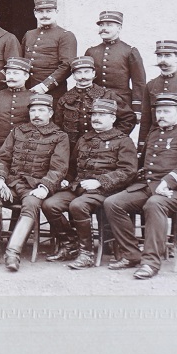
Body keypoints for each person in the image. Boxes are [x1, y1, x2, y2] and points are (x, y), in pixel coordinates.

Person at [105, 92, 177, 279]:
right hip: (151, 186)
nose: (161, 116)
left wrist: (168, 181)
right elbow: (144, 165)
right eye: (159, 111)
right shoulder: (154, 133)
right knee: (113, 203)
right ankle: (132, 254)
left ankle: (151, 263)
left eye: (166, 111)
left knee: (155, 204)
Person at [41, 98, 137, 269]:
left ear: (113, 118)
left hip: (107, 191)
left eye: (102, 115)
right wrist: (66, 179)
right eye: (94, 115)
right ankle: (70, 244)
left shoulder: (123, 141)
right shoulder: (84, 138)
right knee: (50, 204)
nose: (96, 118)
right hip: (79, 188)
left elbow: (128, 172)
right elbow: (71, 165)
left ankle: (86, 254)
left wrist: (99, 182)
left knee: (78, 206)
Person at [0, 94, 70, 272]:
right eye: (33, 110)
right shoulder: (17, 131)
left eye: (41, 110)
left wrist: (45, 187)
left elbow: (59, 168)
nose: (36, 114)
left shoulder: (59, 136)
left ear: (50, 113)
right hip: (12, 184)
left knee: (30, 203)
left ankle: (13, 253)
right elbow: (2, 158)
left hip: (36, 187)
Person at [54, 56, 136, 147]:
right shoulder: (65, 99)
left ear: (93, 73)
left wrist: (113, 138)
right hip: (73, 150)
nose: (83, 76)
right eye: (78, 73)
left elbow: (128, 118)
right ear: (73, 76)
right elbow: (58, 125)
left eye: (87, 72)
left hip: (103, 149)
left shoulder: (107, 95)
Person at [83, 10, 147, 120]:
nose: (104, 28)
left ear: (119, 28)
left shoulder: (129, 51)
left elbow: (139, 83)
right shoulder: (91, 52)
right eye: (101, 25)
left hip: (121, 105)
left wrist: (137, 109)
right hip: (96, 104)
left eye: (109, 25)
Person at [20, 0, 77, 104]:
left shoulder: (65, 36)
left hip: (52, 93)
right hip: (28, 91)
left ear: (56, 12)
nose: (44, 15)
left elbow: (67, 65)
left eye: (49, 11)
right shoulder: (29, 34)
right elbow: (22, 61)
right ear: (35, 13)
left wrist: (45, 86)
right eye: (40, 11)